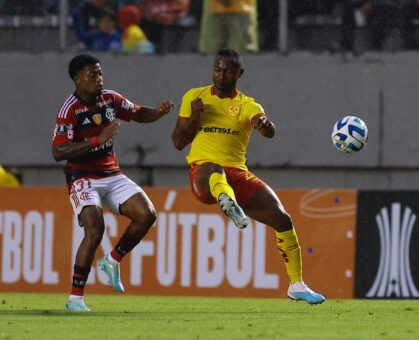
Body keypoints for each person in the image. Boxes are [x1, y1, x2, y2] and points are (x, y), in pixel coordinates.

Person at [171, 48, 325, 304]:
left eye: (228, 70)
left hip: (236, 173)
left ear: (240, 73)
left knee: (283, 219)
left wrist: (265, 125)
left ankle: (296, 285)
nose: (221, 75)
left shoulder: (246, 104)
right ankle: (227, 201)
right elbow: (178, 142)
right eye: (217, 69)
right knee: (213, 167)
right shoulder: (194, 97)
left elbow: (267, 127)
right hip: (203, 172)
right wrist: (195, 116)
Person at [52, 54, 174, 312]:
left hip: (111, 173)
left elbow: (139, 113)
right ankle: (75, 299)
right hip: (82, 176)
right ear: (77, 79)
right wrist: (97, 140)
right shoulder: (70, 110)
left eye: (100, 74)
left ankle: (112, 260)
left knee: (147, 214)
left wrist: (158, 113)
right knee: (95, 230)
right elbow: (58, 152)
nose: (98, 79)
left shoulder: (110, 99)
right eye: (92, 75)